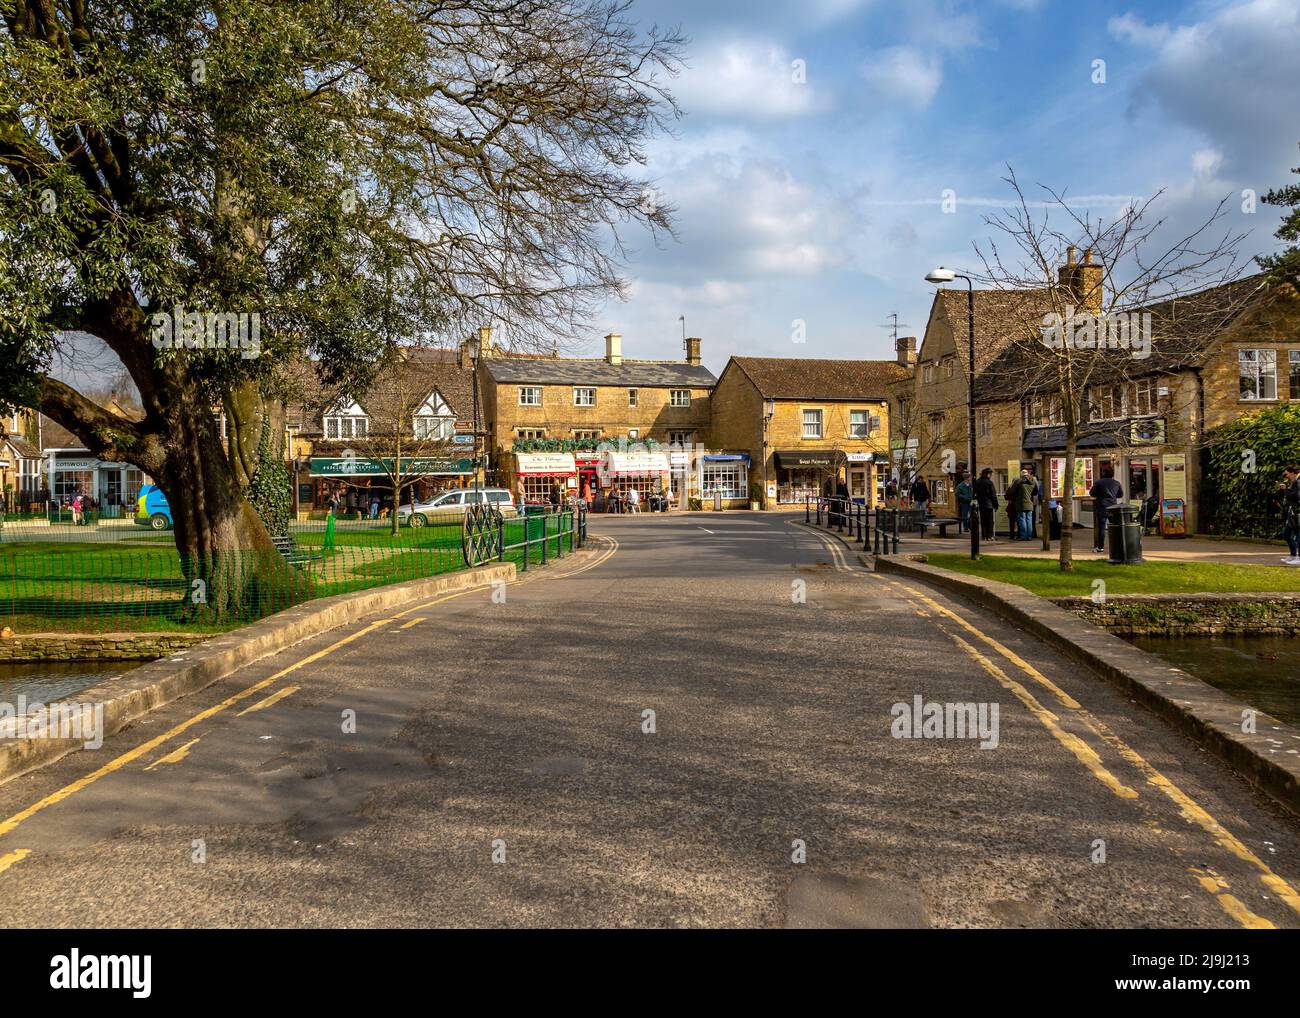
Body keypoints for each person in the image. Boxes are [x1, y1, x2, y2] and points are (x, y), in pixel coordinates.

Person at [1089, 466, 1125, 554]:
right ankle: (1118, 546)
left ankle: (1100, 547)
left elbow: (1092, 493)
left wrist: (1100, 495)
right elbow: (1120, 495)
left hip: (1102, 507)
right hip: (1113, 507)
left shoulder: (1099, 482)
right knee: (1115, 527)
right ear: (1112, 475)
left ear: (1103, 474)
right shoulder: (1117, 483)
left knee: (1101, 528)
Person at [1279, 464, 1300, 565]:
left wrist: (1285, 490)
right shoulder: (1294, 482)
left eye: (1287, 474)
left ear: (1292, 472)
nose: (1286, 475)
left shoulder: (1298, 482)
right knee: (1286, 534)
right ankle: (1293, 555)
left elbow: (1295, 496)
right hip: (1291, 512)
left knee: (1298, 534)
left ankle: (1298, 558)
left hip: (1296, 512)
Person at [1008, 470, 1035, 540]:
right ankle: (1029, 536)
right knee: (1029, 520)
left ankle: (1023, 536)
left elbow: (1011, 491)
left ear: (1021, 475)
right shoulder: (1032, 483)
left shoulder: (1018, 482)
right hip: (1029, 504)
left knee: (1022, 520)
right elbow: (1035, 491)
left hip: (1020, 504)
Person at [974, 467, 998, 541]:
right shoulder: (989, 482)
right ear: (987, 474)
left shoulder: (977, 482)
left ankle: (984, 536)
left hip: (981, 504)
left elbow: (974, 493)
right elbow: (993, 495)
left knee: (983, 520)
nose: (990, 475)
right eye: (990, 474)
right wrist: (996, 504)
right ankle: (989, 536)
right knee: (990, 521)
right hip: (989, 504)